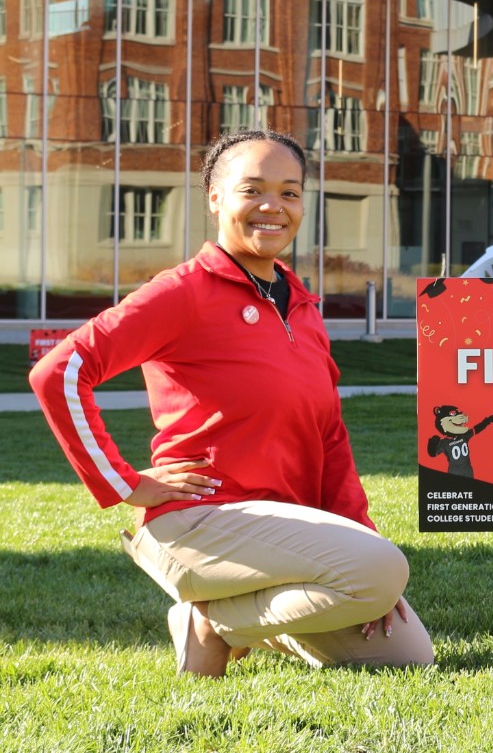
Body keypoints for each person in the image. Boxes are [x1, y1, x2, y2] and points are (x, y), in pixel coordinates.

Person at [30, 129, 434, 677]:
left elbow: (329, 436)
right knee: (379, 571)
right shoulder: (182, 292)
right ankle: (216, 625)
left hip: (285, 534)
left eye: (290, 193)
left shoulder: (304, 306)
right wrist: (126, 484)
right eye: (253, 190)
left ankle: (222, 620)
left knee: (404, 654)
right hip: (201, 523)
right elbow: (60, 372)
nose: (274, 207)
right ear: (216, 198)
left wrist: (358, 537)